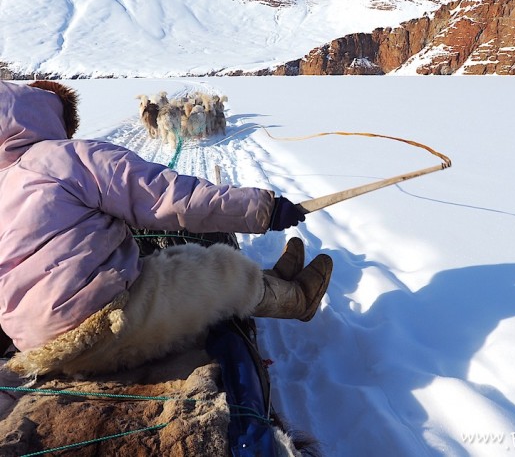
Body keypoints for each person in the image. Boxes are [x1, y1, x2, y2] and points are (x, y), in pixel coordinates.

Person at [0, 80, 333, 377]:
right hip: (101, 323)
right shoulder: (64, 157)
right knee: (210, 265)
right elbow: (167, 197)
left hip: (34, 343)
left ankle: (271, 281)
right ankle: (297, 300)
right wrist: (264, 209)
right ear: (44, 114)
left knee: (156, 263)